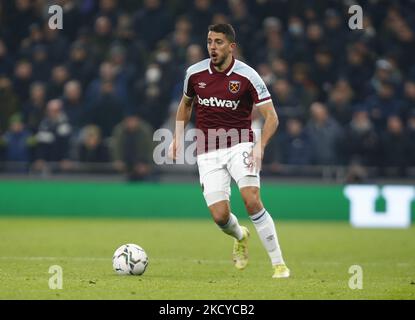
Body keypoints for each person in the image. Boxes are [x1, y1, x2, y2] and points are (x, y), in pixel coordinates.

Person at [169, 24, 289, 278]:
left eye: (219, 42)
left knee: (251, 200)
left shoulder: (248, 76)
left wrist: (260, 146)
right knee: (220, 216)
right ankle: (240, 234)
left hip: (240, 144)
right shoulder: (194, 73)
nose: (213, 47)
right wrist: (176, 137)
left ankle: (279, 263)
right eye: (210, 41)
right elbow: (185, 105)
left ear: (231, 47)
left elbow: (272, 118)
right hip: (207, 149)